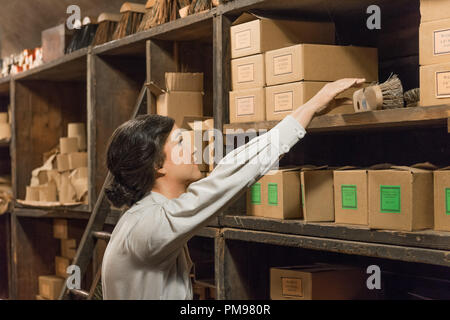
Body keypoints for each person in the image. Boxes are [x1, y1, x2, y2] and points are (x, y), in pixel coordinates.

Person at [101, 78, 365, 299]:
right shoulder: (148, 226)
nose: (194, 147)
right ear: (158, 164)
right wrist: (312, 105)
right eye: (180, 141)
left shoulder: (147, 217)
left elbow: (227, 172)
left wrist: (306, 110)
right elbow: (231, 175)